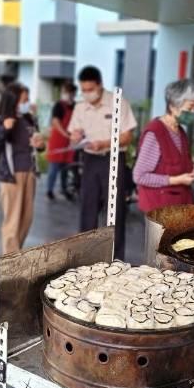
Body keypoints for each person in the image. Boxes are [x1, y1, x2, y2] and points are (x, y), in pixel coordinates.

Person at [68, 66, 137, 260]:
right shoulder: (80, 107)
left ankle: (115, 259)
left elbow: (127, 137)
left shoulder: (118, 103)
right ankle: (85, 259)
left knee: (114, 211)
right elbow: (74, 135)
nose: (87, 94)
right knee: (87, 209)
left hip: (113, 159)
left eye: (90, 89)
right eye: (84, 90)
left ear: (99, 85)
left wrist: (105, 143)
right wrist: (75, 136)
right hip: (89, 160)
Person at [133, 79, 194, 213]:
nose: (193, 112)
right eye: (190, 108)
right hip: (159, 208)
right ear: (173, 106)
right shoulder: (155, 133)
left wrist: (193, 169)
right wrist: (176, 180)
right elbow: (140, 176)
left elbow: (174, 164)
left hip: (180, 205)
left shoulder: (180, 132)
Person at [0, 82, 46, 254]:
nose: (26, 103)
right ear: (13, 100)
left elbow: (38, 145)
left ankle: (14, 254)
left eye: (27, 99)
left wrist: (40, 145)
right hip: (11, 176)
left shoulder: (29, 119)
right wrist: (5, 130)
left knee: (26, 219)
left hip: (29, 172)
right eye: (24, 99)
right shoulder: (1, 120)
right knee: (12, 221)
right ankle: (11, 262)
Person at [45, 82, 76, 202]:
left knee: (66, 167)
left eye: (72, 93)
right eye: (67, 93)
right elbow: (55, 122)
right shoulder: (58, 105)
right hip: (58, 141)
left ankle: (64, 189)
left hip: (70, 142)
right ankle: (49, 191)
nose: (70, 96)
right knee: (54, 168)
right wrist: (65, 134)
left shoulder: (75, 107)